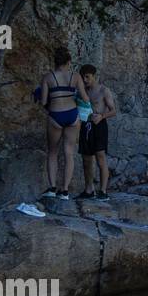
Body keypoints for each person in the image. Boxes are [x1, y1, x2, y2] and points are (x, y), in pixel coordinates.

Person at [40, 46, 90, 199]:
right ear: (68, 61)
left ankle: (52, 188)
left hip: (55, 115)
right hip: (72, 115)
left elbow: (43, 102)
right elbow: (86, 99)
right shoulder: (75, 77)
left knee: (53, 152)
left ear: (55, 62)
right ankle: (65, 191)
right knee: (69, 153)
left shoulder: (48, 77)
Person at [78, 64, 117, 199]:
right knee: (86, 159)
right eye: (83, 77)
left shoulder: (103, 91)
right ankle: (89, 190)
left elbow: (113, 110)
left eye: (87, 77)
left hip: (99, 126)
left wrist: (101, 116)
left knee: (100, 157)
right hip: (86, 125)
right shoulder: (83, 91)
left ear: (94, 76)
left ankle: (103, 191)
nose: (85, 80)